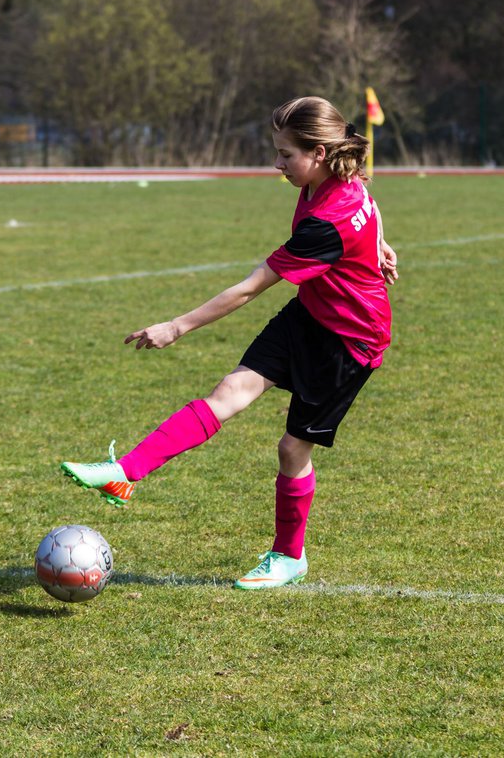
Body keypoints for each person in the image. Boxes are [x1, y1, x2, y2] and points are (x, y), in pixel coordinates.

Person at [61, 96, 397, 589]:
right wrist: (380, 243)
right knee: (228, 392)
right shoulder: (333, 178)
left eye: (286, 155)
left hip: (349, 340)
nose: (277, 164)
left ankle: (289, 557)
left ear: (319, 154)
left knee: (291, 450)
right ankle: (124, 472)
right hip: (310, 313)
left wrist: (176, 326)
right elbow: (369, 202)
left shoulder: (326, 223)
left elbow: (248, 288)